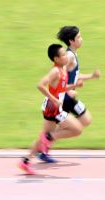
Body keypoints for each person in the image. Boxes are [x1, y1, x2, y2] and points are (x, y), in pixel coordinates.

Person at [37, 26, 101, 163]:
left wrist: (91, 76)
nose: (81, 39)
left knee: (85, 120)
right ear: (71, 41)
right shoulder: (69, 56)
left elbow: (74, 75)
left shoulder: (72, 54)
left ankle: (45, 146)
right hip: (64, 98)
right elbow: (61, 75)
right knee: (79, 123)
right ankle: (45, 144)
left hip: (68, 97)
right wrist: (68, 89)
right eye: (79, 37)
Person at [18, 44, 84, 174]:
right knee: (77, 129)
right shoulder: (55, 71)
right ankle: (50, 137)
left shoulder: (63, 69)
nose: (66, 56)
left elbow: (61, 88)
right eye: (63, 55)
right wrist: (53, 99)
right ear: (56, 59)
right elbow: (40, 85)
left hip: (50, 107)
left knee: (42, 137)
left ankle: (25, 161)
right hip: (53, 108)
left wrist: (75, 85)